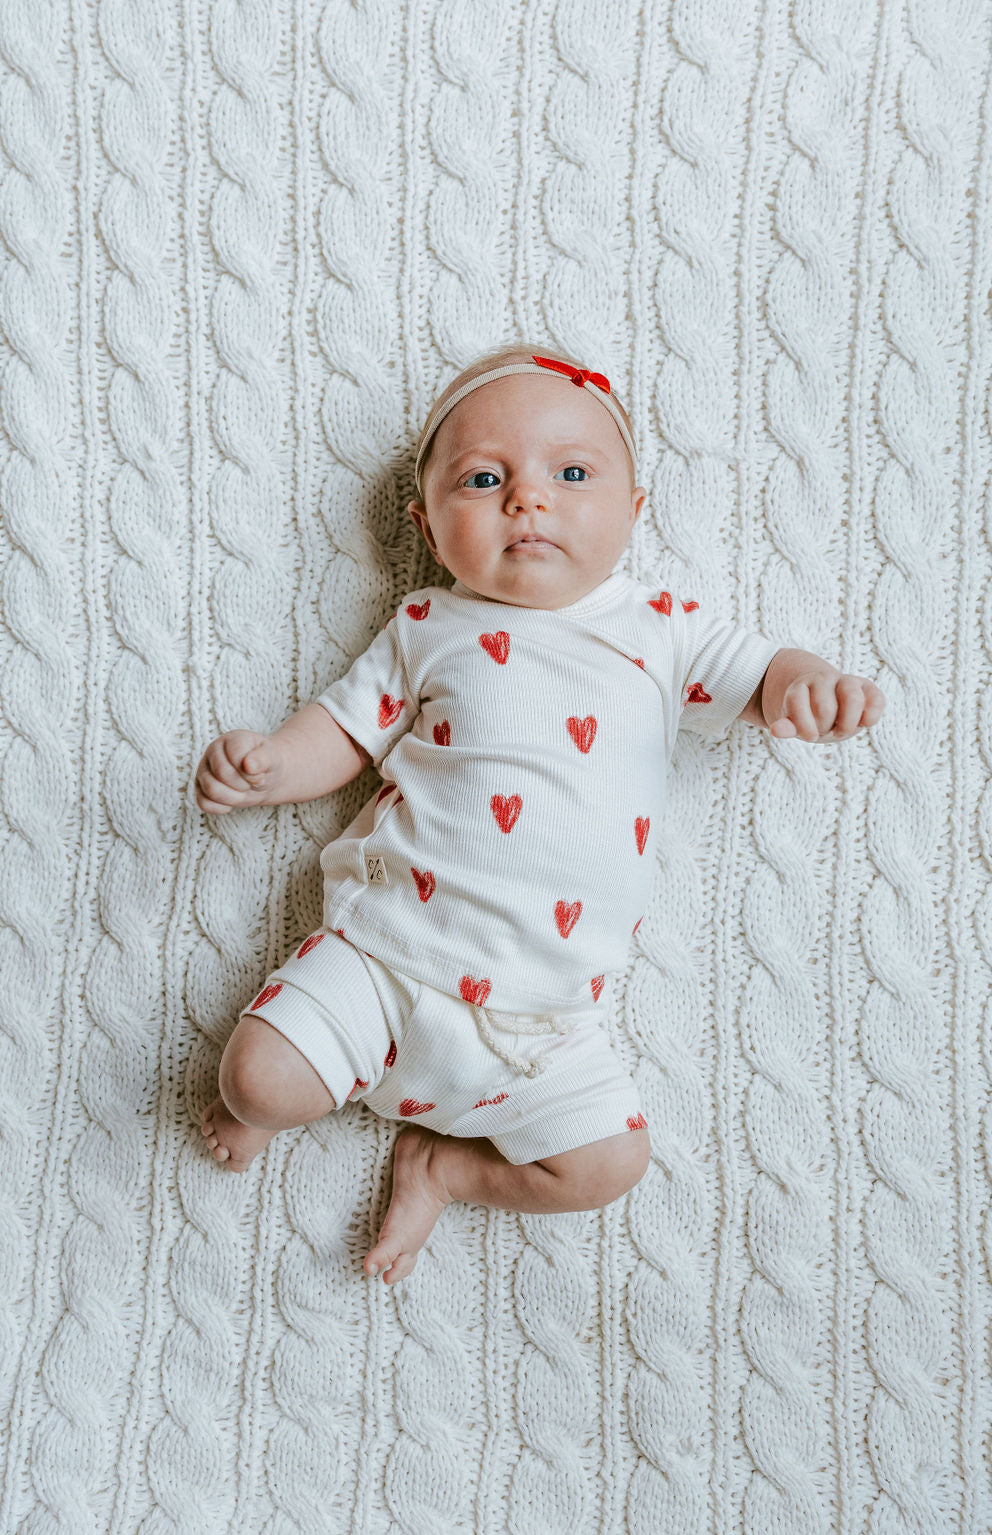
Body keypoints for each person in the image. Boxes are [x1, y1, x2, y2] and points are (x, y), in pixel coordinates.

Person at [194, 346, 886, 1284]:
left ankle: (445, 1167)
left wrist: (806, 685)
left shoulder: (662, 626)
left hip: (546, 1020)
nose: (529, 498)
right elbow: (344, 735)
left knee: (608, 1164)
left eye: (571, 473)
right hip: (389, 953)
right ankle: (275, 1103)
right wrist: (273, 766)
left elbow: (760, 674)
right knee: (257, 1080)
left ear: (634, 511)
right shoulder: (428, 626)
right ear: (428, 527)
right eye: (484, 479)